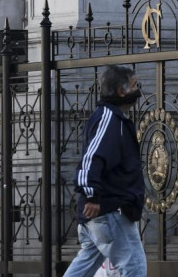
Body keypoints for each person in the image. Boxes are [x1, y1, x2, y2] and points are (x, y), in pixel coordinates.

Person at [63, 65, 146, 277]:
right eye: (134, 86)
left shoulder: (112, 118)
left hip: (103, 210)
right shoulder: (109, 118)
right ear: (121, 91)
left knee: (85, 264)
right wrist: (91, 194)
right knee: (134, 268)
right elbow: (92, 158)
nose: (138, 90)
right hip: (109, 210)